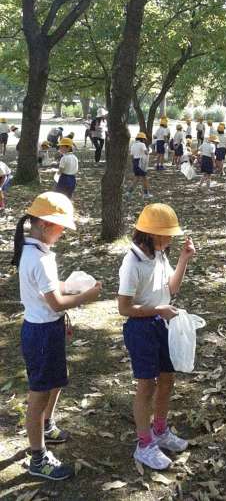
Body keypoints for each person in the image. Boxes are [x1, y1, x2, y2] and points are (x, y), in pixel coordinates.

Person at [11, 192, 102, 480]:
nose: (63, 233)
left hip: (46, 329)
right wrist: (87, 296)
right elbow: (56, 304)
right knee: (38, 395)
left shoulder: (35, 250)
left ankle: (47, 425)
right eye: (61, 227)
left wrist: (71, 286)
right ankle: (38, 458)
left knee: (55, 380)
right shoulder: (38, 258)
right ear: (44, 224)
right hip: (41, 333)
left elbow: (50, 288)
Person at [118, 203, 195, 470]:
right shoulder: (132, 262)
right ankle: (144, 444)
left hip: (162, 324)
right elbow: (124, 308)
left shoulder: (159, 254)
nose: (171, 239)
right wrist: (157, 310)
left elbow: (171, 289)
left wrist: (184, 259)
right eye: (167, 234)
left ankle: (160, 430)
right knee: (146, 385)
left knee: (167, 378)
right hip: (141, 329)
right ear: (151, 234)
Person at [130, 132, 152, 198]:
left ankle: (129, 192)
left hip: (135, 162)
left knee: (136, 178)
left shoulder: (133, 145)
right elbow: (146, 152)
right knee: (144, 178)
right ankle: (146, 194)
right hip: (140, 162)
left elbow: (132, 155)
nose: (144, 141)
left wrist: (134, 163)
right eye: (144, 139)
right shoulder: (142, 144)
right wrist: (150, 151)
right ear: (142, 139)